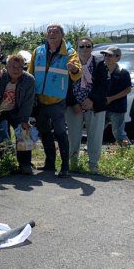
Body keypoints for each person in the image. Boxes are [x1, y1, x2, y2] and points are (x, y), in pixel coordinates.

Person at [28, 24, 82, 178]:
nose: (52, 34)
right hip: (40, 100)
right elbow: (30, 74)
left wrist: (74, 69)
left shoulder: (70, 52)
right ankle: (50, 164)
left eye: (56, 32)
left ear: (62, 35)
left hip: (57, 100)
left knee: (60, 133)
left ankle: (65, 167)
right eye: (49, 32)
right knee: (44, 132)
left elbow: (77, 74)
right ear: (46, 35)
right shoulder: (38, 51)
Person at [0, 55, 36, 174]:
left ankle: (25, 164)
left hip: (17, 111)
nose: (15, 70)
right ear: (7, 67)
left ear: (23, 68)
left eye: (19, 67)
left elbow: (28, 102)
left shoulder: (29, 80)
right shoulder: (0, 75)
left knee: (24, 131)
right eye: (12, 66)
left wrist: (24, 120)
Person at [65, 38, 108, 173]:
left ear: (92, 47)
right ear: (77, 47)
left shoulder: (99, 63)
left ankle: (93, 165)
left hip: (94, 106)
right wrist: (74, 103)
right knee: (73, 136)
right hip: (74, 106)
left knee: (95, 136)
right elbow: (65, 85)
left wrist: (92, 100)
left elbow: (103, 84)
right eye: (82, 46)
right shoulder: (70, 63)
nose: (85, 49)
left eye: (88, 46)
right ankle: (73, 164)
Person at [102, 46, 132, 147]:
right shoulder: (102, 70)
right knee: (96, 130)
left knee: (118, 133)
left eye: (109, 55)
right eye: (105, 55)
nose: (106, 57)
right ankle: (89, 150)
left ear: (118, 58)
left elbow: (128, 89)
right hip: (102, 107)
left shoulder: (123, 72)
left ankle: (128, 153)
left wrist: (111, 98)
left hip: (117, 109)